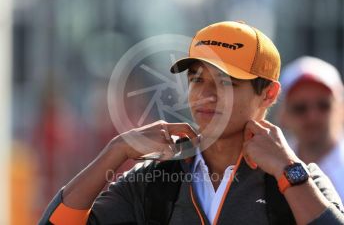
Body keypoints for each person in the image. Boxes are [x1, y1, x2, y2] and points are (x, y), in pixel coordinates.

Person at [39, 21, 344, 225]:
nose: (207, 95)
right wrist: (115, 150)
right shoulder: (154, 180)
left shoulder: (297, 180)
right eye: (197, 79)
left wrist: (288, 170)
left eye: (226, 83)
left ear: (269, 94)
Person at [278, 56, 344, 201]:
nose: (312, 117)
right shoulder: (269, 168)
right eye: (300, 108)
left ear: (341, 109)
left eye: (323, 105)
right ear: (282, 116)